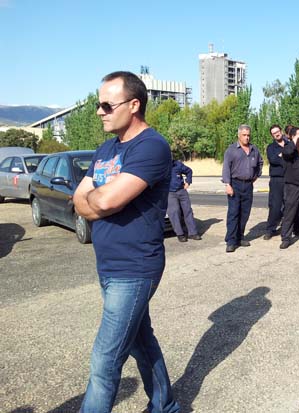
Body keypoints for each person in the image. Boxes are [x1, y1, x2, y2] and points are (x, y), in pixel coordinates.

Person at [74, 71, 179, 413]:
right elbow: (79, 200)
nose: (100, 111)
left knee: (104, 361)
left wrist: (97, 200)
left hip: (135, 267)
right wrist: (97, 200)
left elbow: (103, 202)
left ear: (134, 105)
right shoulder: (106, 148)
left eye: (107, 104)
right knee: (140, 341)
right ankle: (166, 405)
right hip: (108, 264)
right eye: (98, 104)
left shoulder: (151, 146)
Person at [222, 124, 264, 253]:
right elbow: (226, 168)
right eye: (244, 135)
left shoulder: (254, 149)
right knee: (234, 213)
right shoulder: (231, 150)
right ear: (239, 135)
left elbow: (260, 163)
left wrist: (256, 175)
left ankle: (240, 237)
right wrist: (227, 184)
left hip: (248, 185)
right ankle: (231, 241)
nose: (247, 137)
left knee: (245, 213)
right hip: (235, 184)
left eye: (248, 135)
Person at [167, 159, 202, 242]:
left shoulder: (177, 164)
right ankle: (180, 234)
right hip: (170, 193)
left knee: (188, 211)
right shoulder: (160, 166)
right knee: (174, 212)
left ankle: (193, 233)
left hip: (181, 190)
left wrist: (188, 182)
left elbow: (189, 171)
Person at [264, 124, 286, 240]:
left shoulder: (289, 144)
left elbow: (293, 157)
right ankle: (270, 229)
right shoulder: (271, 148)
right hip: (276, 180)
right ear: (272, 135)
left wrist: (282, 156)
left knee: (290, 206)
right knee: (275, 206)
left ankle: (289, 229)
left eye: (278, 131)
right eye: (274, 133)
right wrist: (285, 157)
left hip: (289, 179)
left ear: (281, 131)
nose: (277, 134)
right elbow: (273, 160)